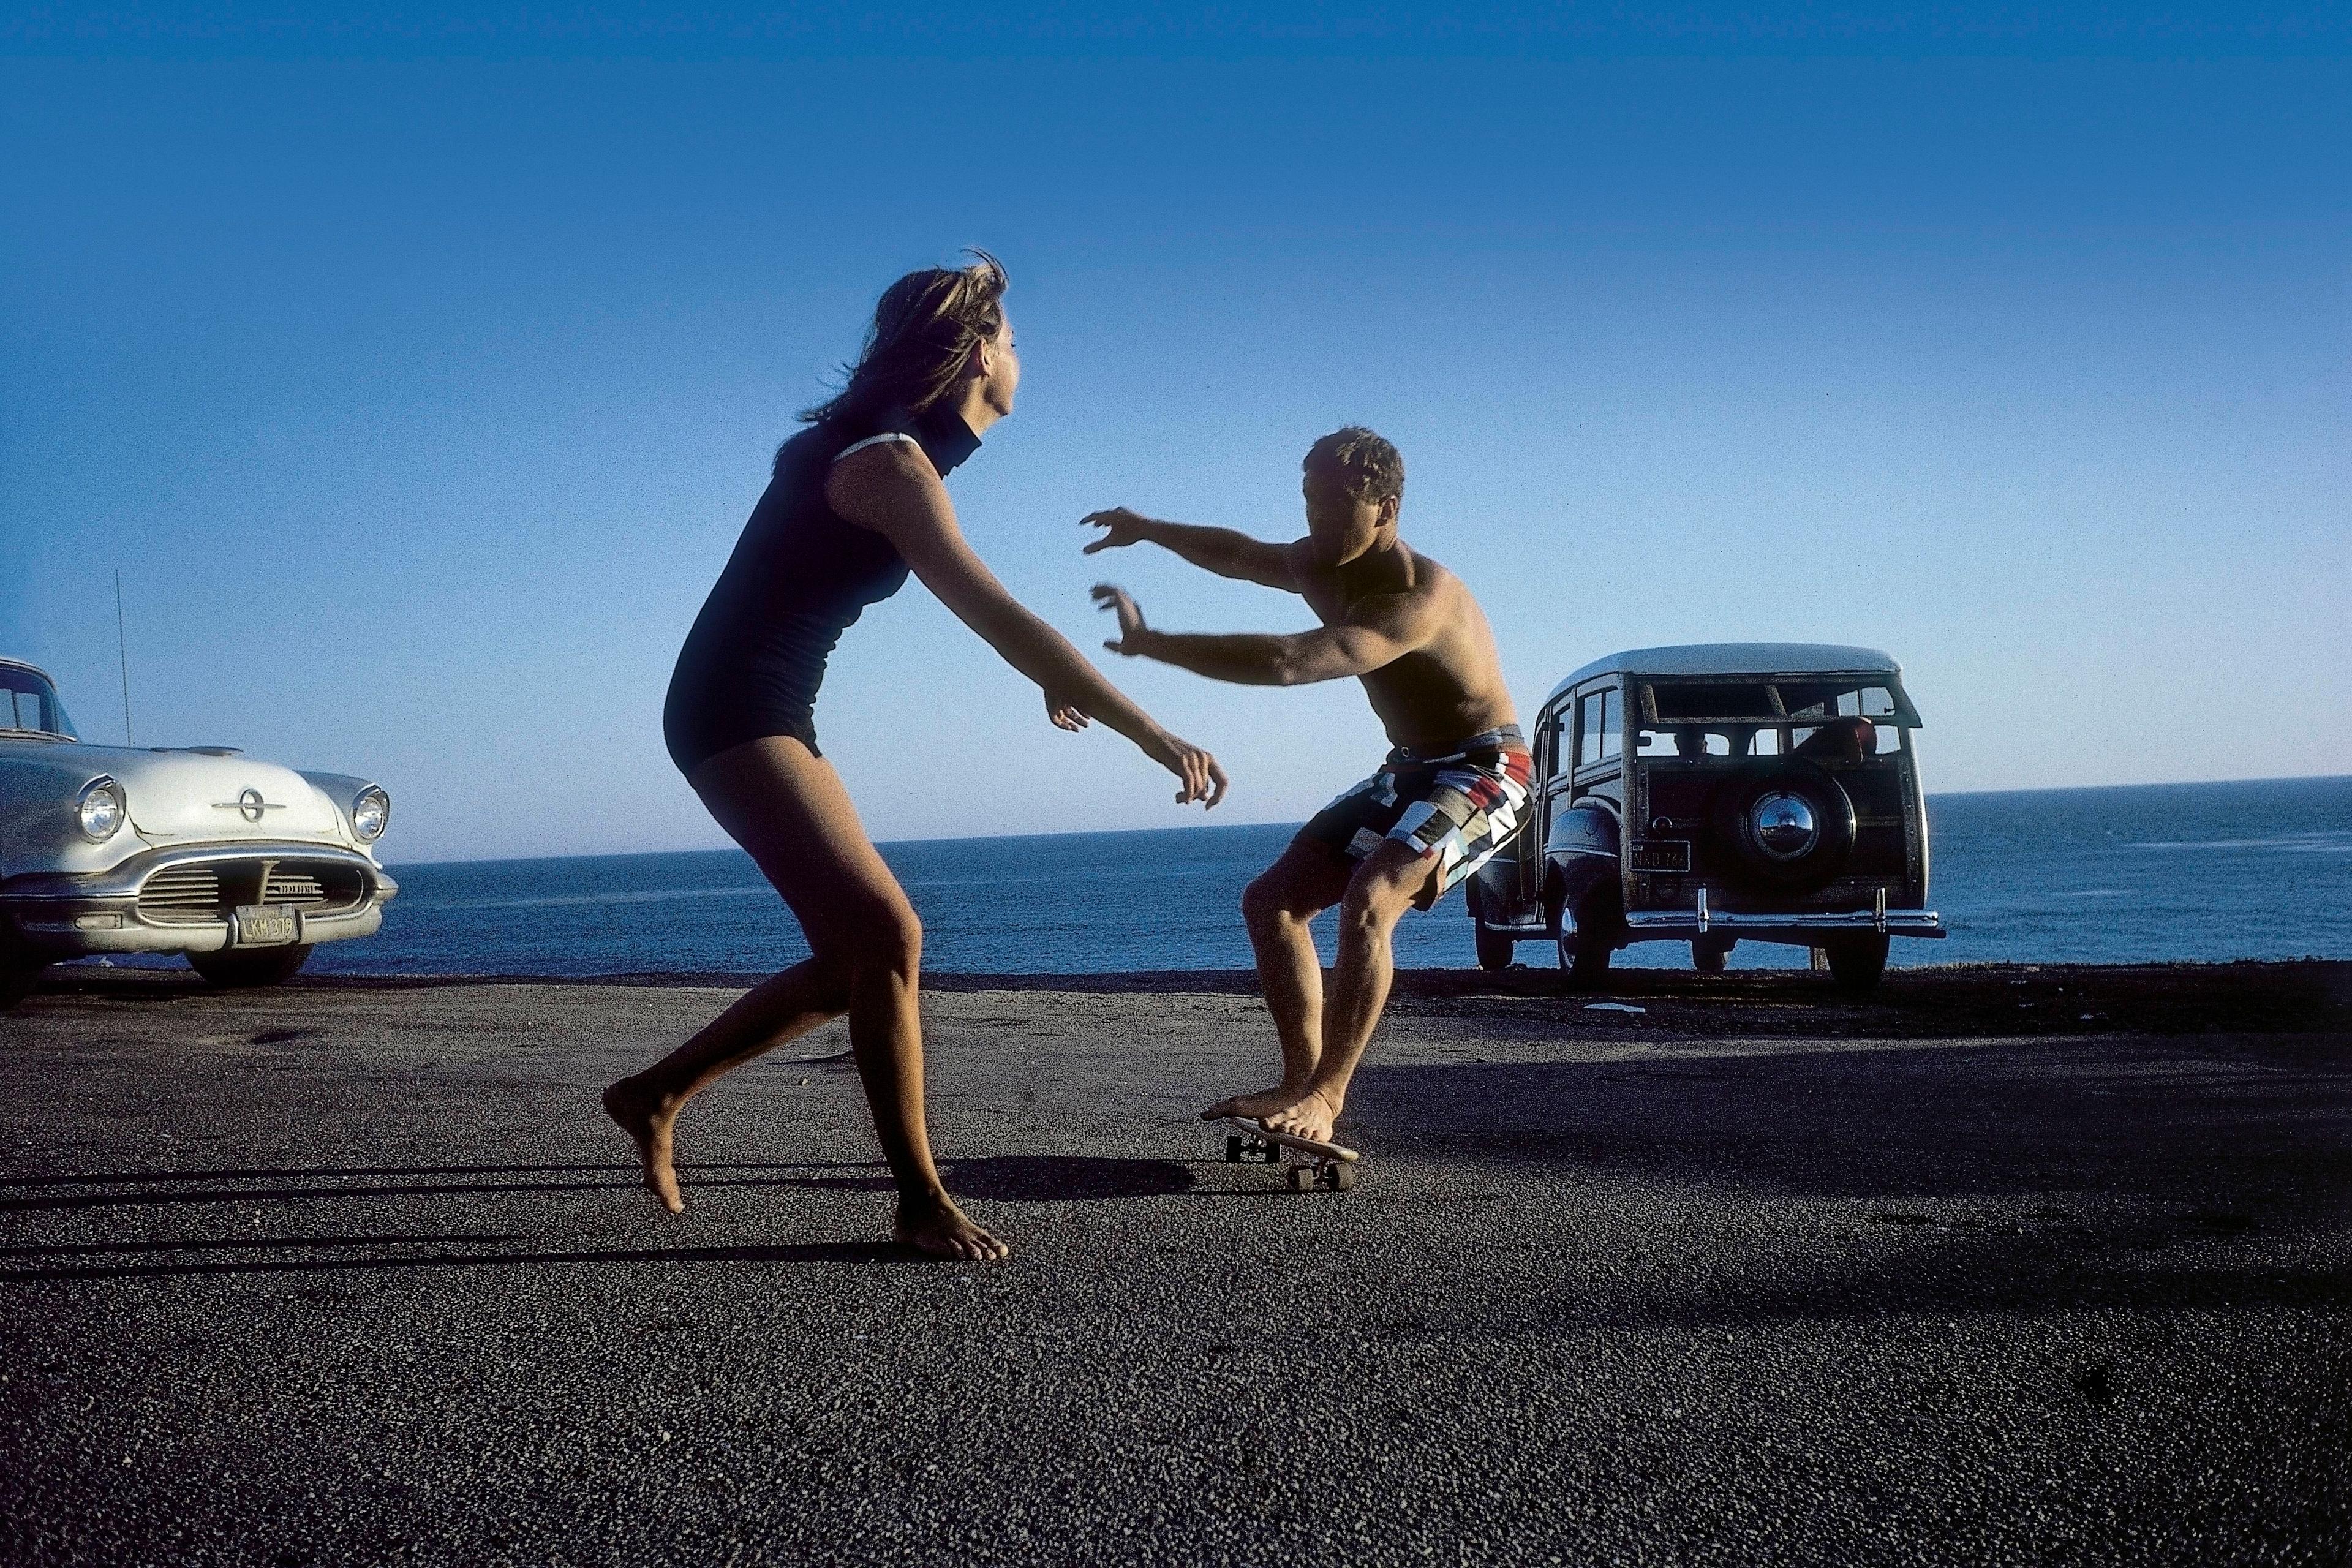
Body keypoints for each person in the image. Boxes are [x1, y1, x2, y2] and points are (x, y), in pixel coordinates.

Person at [606, 253, 1227, 1262]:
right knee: (890, 937)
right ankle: (920, 1201)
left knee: (853, 954)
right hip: (735, 712)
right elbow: (997, 611)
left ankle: (652, 1093)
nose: (1025, 358)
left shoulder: (874, 453)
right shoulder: (888, 466)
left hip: (758, 705)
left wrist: (1042, 672)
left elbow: (969, 595)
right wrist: (1152, 732)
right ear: (978, 353)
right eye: (1014, 340)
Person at [1084, 426, 1526, 1146]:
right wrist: (1146, 529)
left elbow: (1292, 660)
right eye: (1308, 498)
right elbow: (1238, 554)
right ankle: (1297, 1078)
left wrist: (1155, 643)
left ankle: (1327, 1093)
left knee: (1371, 898)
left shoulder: (1419, 595)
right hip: (1408, 765)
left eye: (1335, 502)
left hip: (1486, 769)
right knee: (1272, 900)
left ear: (1384, 508)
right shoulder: (1318, 562)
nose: (1316, 518)